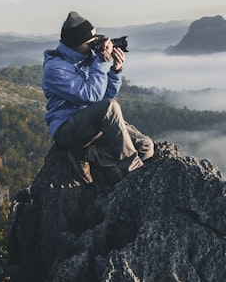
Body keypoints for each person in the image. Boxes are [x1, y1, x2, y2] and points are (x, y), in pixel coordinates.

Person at [42, 11, 154, 184]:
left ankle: (88, 155)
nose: (94, 47)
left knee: (146, 147)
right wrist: (100, 62)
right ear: (75, 44)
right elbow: (92, 97)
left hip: (91, 125)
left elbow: (104, 97)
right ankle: (133, 172)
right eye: (90, 43)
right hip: (67, 129)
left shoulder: (87, 58)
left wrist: (115, 71)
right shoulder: (55, 69)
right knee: (110, 107)